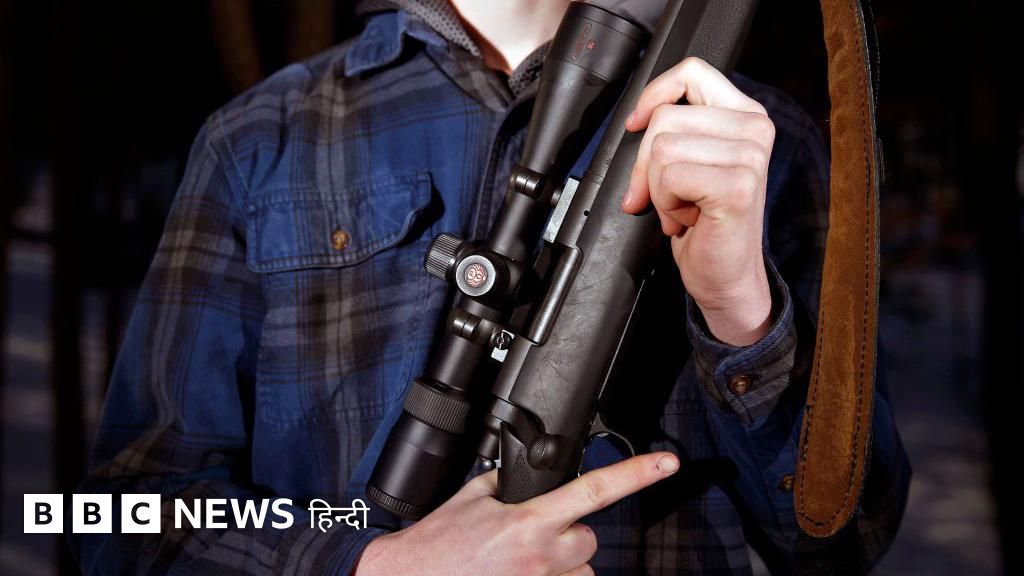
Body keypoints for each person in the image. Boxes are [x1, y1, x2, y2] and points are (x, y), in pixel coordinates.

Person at [70, 1, 911, 574]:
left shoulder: (748, 147)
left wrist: (740, 313)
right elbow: (115, 518)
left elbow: (848, 541)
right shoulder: (260, 139)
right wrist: (367, 562)